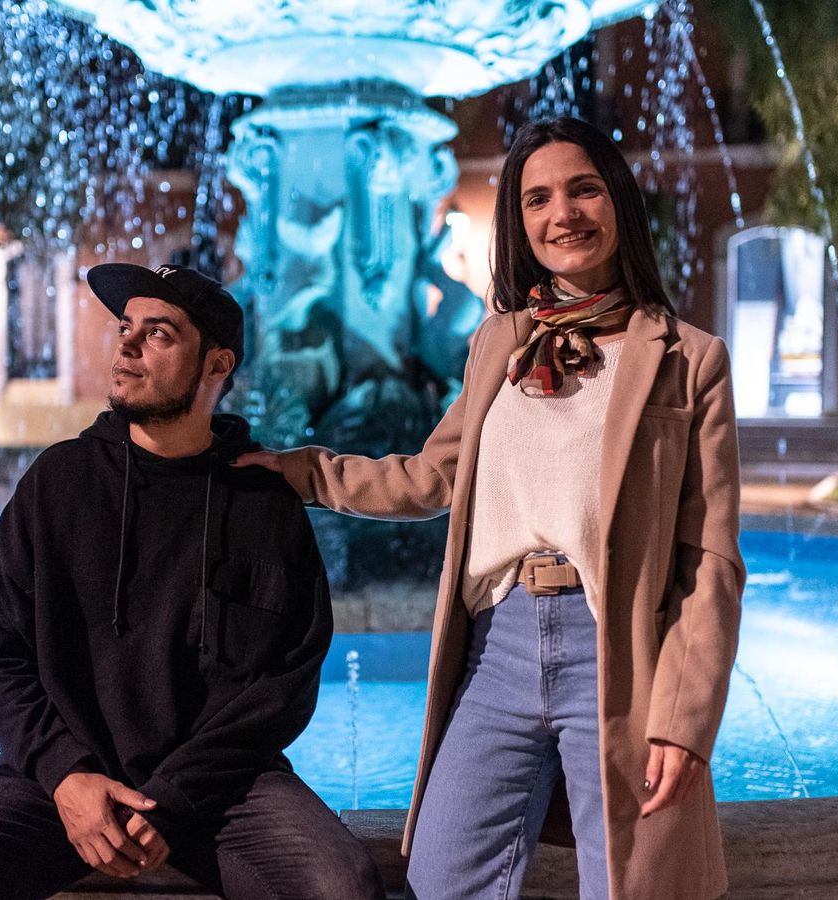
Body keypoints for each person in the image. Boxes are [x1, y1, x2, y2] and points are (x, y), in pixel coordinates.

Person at [238, 117, 745, 900]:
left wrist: (686, 719)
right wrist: (302, 474)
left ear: (617, 204)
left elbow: (709, 559)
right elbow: (429, 478)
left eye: (583, 189)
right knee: (444, 878)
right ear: (520, 223)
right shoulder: (497, 345)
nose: (562, 214)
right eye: (538, 199)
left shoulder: (689, 360)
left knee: (630, 885)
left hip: (615, 651)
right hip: (496, 650)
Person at [0, 263, 384, 900]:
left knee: (343, 886)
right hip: (58, 780)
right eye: (126, 328)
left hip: (219, 791)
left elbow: (282, 685)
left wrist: (175, 800)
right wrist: (64, 774)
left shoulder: (264, 502)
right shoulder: (58, 483)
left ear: (216, 365)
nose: (125, 344)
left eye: (159, 334)